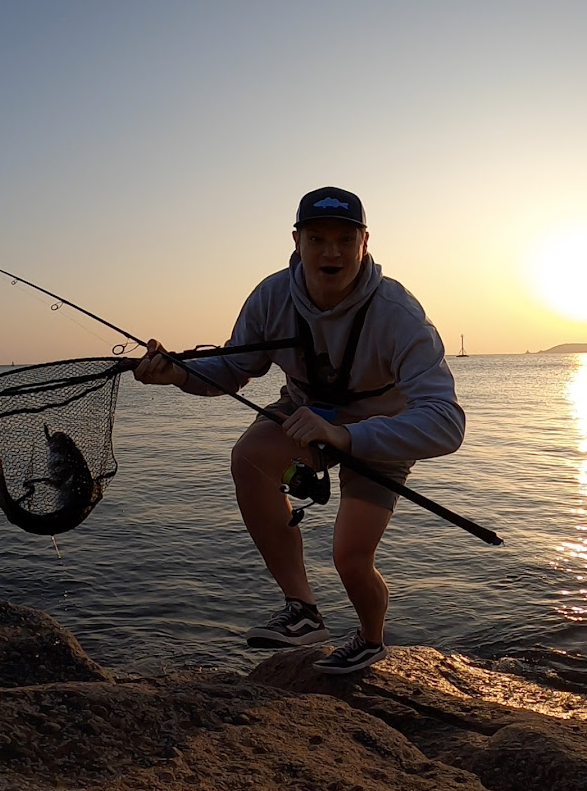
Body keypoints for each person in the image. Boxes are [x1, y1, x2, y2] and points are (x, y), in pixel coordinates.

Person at [134, 186, 465, 674]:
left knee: (350, 559)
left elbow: (446, 422)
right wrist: (177, 373)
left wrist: (349, 438)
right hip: (306, 415)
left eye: (344, 239)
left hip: (381, 432)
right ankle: (303, 611)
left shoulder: (400, 315)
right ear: (297, 240)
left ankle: (371, 641)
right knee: (248, 455)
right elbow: (231, 371)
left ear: (365, 243)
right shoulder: (272, 296)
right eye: (317, 238)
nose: (331, 251)